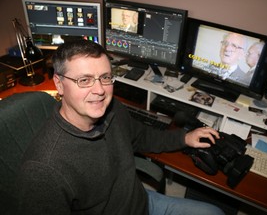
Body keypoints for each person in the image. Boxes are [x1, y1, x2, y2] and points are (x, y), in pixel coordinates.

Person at [17, 39, 224, 215]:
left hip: (142, 202)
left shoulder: (112, 108)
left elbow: (142, 136)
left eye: (105, 77)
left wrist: (184, 138)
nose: (99, 90)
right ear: (59, 84)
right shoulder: (43, 171)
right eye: (84, 80)